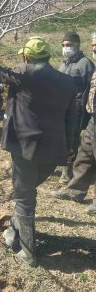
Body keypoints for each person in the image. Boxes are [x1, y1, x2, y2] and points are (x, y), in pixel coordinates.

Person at [0, 28, 76, 267]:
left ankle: (28, 254)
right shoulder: (66, 81)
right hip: (54, 152)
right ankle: (12, 234)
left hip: (26, 147)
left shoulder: (24, 72)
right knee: (25, 193)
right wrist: (69, 147)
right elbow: (71, 118)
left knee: (24, 196)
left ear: (28, 57)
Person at [51, 32, 96, 215]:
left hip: (83, 113)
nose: (94, 48)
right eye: (94, 45)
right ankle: (75, 191)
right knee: (84, 155)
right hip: (93, 117)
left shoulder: (86, 65)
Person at [57, 31, 94, 183]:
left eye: (69, 45)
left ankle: (68, 171)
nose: (66, 48)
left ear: (77, 46)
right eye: (64, 45)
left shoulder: (85, 64)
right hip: (61, 107)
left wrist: (85, 111)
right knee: (62, 137)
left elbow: (89, 88)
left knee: (72, 139)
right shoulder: (64, 62)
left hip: (77, 110)